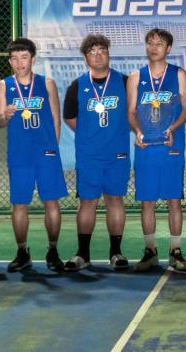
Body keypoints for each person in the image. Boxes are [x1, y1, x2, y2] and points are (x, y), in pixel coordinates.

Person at [0, 38, 67, 271]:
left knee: (51, 202)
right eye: (15, 59)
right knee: (19, 204)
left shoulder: (47, 83)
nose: (19, 63)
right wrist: (5, 115)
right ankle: (22, 251)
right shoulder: (4, 85)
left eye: (24, 57)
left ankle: (53, 250)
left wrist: (52, 148)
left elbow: (56, 119)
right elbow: (0, 121)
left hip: (45, 152)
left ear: (33, 59)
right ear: (10, 61)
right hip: (20, 154)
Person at [62, 34, 130, 272]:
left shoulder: (124, 82)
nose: (98, 55)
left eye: (102, 50)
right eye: (92, 51)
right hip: (89, 155)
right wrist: (89, 135)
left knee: (115, 199)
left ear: (109, 54)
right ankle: (83, 254)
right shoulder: (77, 85)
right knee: (87, 202)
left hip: (117, 154)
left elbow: (133, 113)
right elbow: (69, 117)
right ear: (85, 58)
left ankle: (116, 253)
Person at [126, 29, 186, 273]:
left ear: (168, 48)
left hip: (170, 146)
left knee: (174, 200)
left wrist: (173, 127)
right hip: (146, 148)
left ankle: (175, 251)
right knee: (147, 202)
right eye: (150, 43)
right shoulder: (136, 77)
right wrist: (137, 131)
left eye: (160, 44)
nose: (154, 47)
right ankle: (150, 251)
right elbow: (131, 112)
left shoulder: (179, 74)